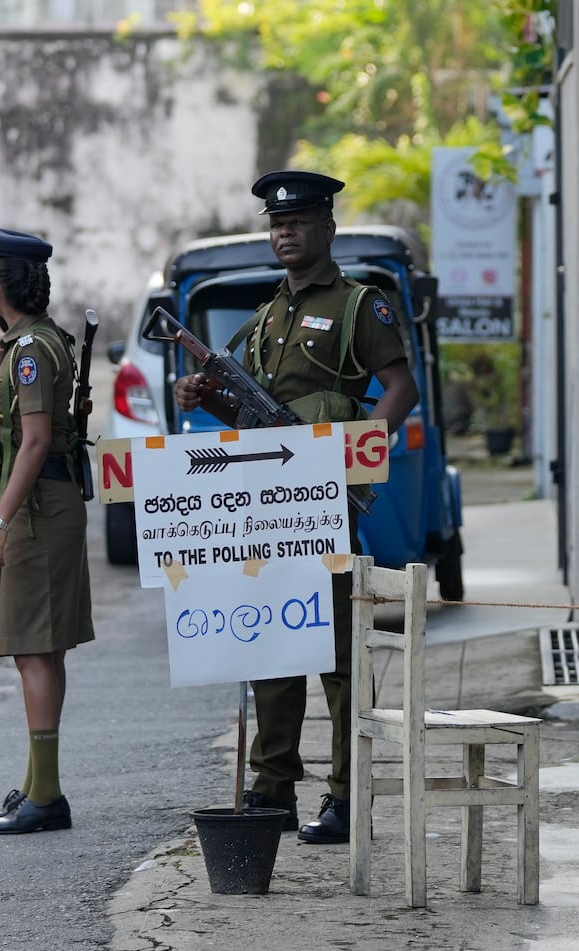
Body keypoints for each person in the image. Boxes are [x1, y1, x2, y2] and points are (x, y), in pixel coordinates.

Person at [174, 170, 419, 845]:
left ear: (327, 228)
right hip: (265, 507)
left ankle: (345, 794)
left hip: (325, 503)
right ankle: (273, 785)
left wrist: (360, 453)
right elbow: (243, 410)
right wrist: (204, 394)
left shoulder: (356, 306)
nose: (285, 232)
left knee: (339, 653)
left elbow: (400, 385)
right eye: (277, 224)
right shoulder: (267, 317)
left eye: (299, 221)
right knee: (270, 638)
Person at [0, 227, 94, 835]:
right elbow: (9, 416)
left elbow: (37, 438)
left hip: (39, 507)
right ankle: (39, 786)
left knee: (33, 649)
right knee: (41, 649)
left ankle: (47, 796)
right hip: (47, 503)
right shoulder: (33, 341)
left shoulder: (32, 351)